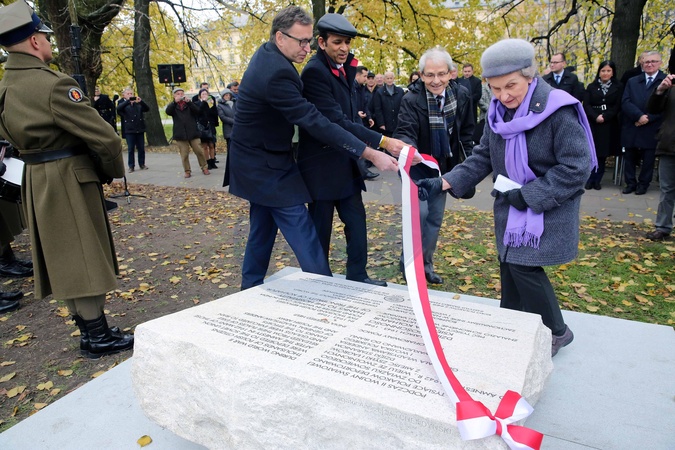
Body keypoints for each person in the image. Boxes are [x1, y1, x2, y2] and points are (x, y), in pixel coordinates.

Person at [415, 39, 596, 357]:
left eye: (510, 85)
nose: (503, 96)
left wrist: (530, 195)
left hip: (546, 207)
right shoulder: (497, 112)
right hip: (512, 207)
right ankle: (510, 322)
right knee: (509, 263)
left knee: (524, 267)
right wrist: (443, 182)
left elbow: (576, 167)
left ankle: (557, 331)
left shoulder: (558, 109)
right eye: (495, 88)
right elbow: (483, 155)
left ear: (530, 75)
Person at [228, 6, 399, 290]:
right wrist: (370, 152)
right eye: (302, 42)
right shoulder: (278, 73)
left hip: (258, 161)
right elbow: (314, 120)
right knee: (304, 230)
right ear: (280, 37)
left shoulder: (270, 55)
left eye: (309, 41)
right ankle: (324, 291)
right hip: (265, 167)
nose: (307, 48)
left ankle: (250, 286)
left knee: (262, 228)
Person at [0, 1, 133, 357]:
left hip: (35, 179)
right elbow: (106, 139)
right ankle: (98, 337)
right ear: (34, 41)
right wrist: (108, 172)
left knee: (65, 259)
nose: (47, 42)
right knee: (84, 257)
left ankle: (90, 331)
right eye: (44, 36)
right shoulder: (54, 85)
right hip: (68, 178)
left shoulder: (6, 86)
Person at [298, 13, 411, 287]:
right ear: (322, 42)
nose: (344, 48)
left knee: (357, 224)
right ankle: (318, 281)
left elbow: (349, 119)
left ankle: (358, 275)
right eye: (337, 42)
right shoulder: (314, 72)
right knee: (320, 231)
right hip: (321, 168)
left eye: (347, 43)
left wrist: (378, 141)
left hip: (345, 164)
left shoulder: (345, 68)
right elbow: (336, 122)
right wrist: (381, 142)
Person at [394, 46, 475, 284]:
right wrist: (413, 152)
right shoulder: (411, 99)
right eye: (429, 75)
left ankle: (426, 265)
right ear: (421, 75)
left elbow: (467, 131)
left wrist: (469, 163)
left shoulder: (461, 95)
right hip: (417, 167)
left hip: (444, 169)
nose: (436, 80)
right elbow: (405, 131)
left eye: (441, 74)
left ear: (450, 73)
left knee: (434, 218)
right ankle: (409, 264)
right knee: (419, 215)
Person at [620, 51, 666, 195]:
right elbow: (625, 101)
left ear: (660, 63)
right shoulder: (632, 81)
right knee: (629, 156)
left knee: (648, 159)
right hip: (633, 124)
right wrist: (638, 116)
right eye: (646, 62)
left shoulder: (665, 81)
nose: (650, 64)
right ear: (642, 63)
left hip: (652, 126)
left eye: (653, 61)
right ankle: (630, 183)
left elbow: (666, 106)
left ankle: (643, 184)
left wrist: (648, 118)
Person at [644, 72, 675, 240]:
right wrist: (660, 90)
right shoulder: (670, 86)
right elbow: (653, 108)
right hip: (669, 144)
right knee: (667, 189)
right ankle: (663, 227)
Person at [583, 60, 623, 190]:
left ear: (613, 72)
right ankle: (589, 178)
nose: (605, 73)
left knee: (602, 153)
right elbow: (586, 105)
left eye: (608, 71)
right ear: (599, 72)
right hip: (593, 122)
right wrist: (595, 116)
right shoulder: (591, 86)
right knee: (591, 152)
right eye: (603, 70)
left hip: (608, 124)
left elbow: (617, 106)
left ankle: (597, 180)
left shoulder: (618, 87)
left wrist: (605, 116)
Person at [165, 87, 210, 178]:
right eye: (178, 94)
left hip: (193, 132)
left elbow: (198, 111)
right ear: (174, 96)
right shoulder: (173, 106)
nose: (180, 95)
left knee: (199, 151)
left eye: (182, 93)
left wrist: (189, 102)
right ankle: (187, 171)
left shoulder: (189, 104)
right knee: (184, 154)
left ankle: (204, 167)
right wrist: (175, 102)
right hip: (180, 134)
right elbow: (168, 111)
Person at [116, 87, 149, 172]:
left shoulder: (137, 103)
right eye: (128, 94)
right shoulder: (122, 103)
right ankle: (131, 166)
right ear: (124, 95)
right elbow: (118, 109)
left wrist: (141, 102)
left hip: (139, 128)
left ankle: (142, 164)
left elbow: (147, 109)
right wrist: (128, 101)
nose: (130, 95)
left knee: (141, 148)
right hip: (129, 129)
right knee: (131, 149)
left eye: (131, 93)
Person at [372, 71, 404, 136]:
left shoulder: (400, 91)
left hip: (398, 124)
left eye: (391, 78)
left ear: (394, 79)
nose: (389, 80)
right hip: (386, 124)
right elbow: (378, 109)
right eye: (387, 78)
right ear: (384, 79)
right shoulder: (379, 92)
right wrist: (381, 124)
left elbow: (403, 107)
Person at [196, 88, 219, 169]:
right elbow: (198, 112)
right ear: (200, 96)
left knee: (212, 145)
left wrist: (213, 106)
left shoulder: (210, 103)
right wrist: (203, 102)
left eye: (206, 94)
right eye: (203, 94)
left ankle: (213, 161)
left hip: (211, 125)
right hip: (203, 127)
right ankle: (207, 162)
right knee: (205, 146)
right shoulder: (197, 103)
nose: (205, 95)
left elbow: (215, 114)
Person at [217, 88, 235, 186]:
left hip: (237, 129)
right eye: (226, 95)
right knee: (230, 148)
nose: (228, 97)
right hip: (229, 130)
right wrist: (234, 121)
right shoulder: (220, 106)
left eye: (229, 95)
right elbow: (223, 117)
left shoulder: (234, 103)